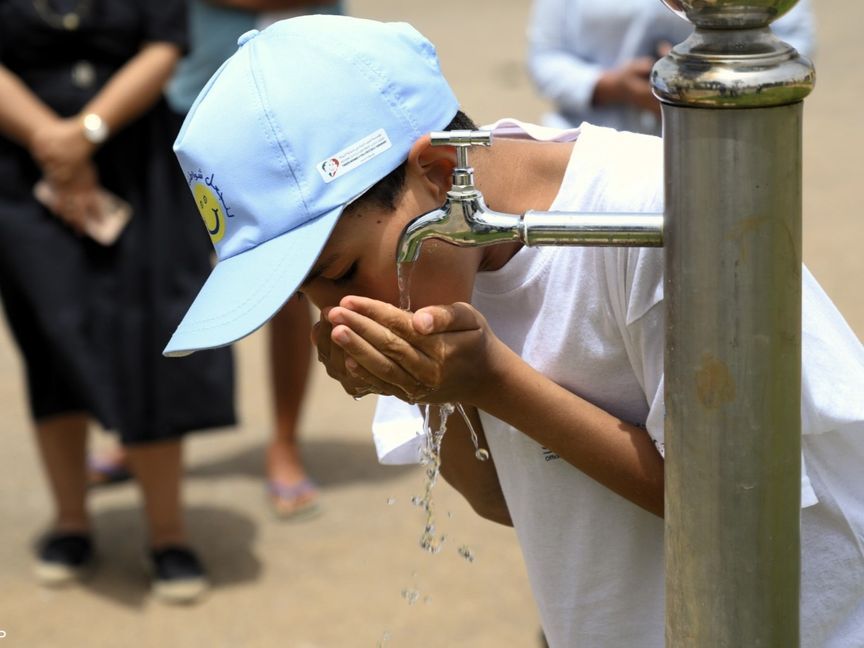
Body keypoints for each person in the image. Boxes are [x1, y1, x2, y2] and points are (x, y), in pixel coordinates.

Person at [161, 16, 864, 645]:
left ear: (439, 171)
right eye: (304, 294)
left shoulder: (651, 214)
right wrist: (430, 388)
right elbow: (503, 499)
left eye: (341, 272)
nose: (337, 315)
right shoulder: (434, 268)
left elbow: (737, 511)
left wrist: (494, 382)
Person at [0, 0, 235, 604]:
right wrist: (49, 141)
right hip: (20, 161)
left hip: (136, 157)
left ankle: (168, 533)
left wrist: (85, 134)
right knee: (50, 338)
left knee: (152, 336)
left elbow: (164, 44)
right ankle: (70, 521)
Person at [87, 0, 345, 519]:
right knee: (159, 277)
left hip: (298, 98)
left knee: (294, 284)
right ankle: (145, 436)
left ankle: (285, 442)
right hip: (189, 100)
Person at [527, 0, 815, 134]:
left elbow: (793, 42)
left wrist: (706, 84)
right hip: (587, 143)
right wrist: (612, 86)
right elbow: (545, 57)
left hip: (712, 139)